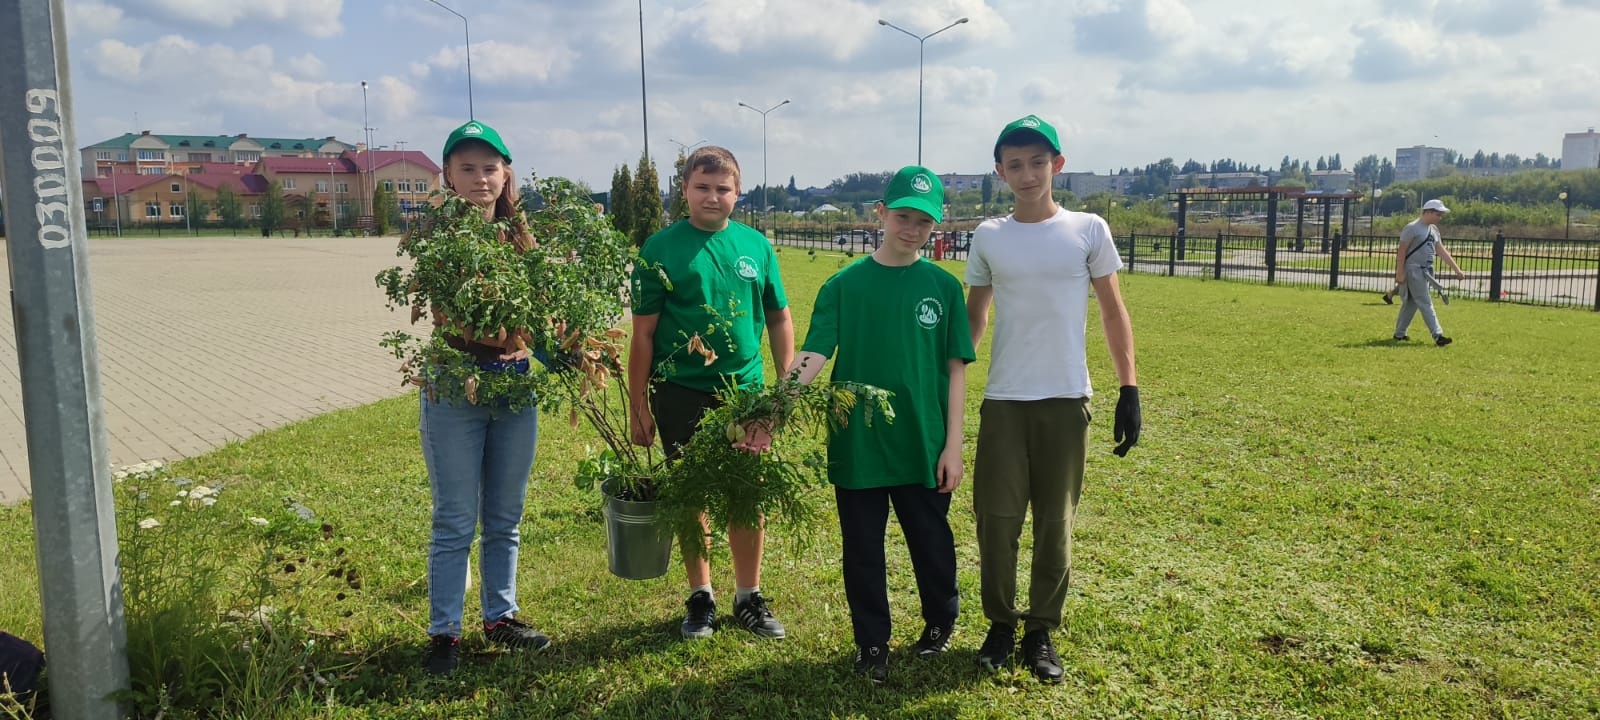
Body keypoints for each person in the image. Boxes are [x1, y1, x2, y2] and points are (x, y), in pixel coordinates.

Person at [743, 166, 975, 684]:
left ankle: (940, 622)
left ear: (936, 226)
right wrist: (773, 411)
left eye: (923, 222)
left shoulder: (943, 286)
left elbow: (956, 370)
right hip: (860, 443)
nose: (911, 229)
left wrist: (953, 445)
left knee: (931, 544)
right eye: (902, 217)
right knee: (863, 552)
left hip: (923, 443)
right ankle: (871, 643)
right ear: (880, 215)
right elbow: (814, 352)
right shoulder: (845, 284)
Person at [965, 115, 1141, 683]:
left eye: (1037, 163)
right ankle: (999, 623)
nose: (1026, 173)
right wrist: (948, 377)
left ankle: (1040, 630)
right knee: (996, 518)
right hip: (1005, 398)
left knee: (1055, 521)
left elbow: (1113, 311)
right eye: (1014, 164)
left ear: (1057, 166)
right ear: (1000, 172)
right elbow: (976, 315)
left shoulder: (1088, 228)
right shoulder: (990, 235)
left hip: (1067, 397)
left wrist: (1128, 388)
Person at [628, 145, 795, 640]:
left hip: (744, 393)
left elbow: (779, 317)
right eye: (702, 187)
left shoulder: (756, 248)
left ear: (738, 193)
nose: (712, 196)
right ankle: (701, 595)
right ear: (684, 190)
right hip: (679, 392)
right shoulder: (660, 249)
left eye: (723, 188)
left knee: (747, 494)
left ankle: (749, 596)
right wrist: (640, 404)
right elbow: (643, 335)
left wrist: (784, 387)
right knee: (691, 494)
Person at [419, 120, 551, 676]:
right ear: (448, 176)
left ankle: (500, 616)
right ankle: (444, 634)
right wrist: (524, 331)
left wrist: (564, 339)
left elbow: (544, 311)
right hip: (455, 385)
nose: (480, 179)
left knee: (505, 514)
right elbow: (460, 320)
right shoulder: (439, 240)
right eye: (467, 168)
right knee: (455, 518)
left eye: (490, 168)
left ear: (506, 173)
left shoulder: (523, 238)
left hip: (515, 387)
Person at [1392, 199, 1465, 346]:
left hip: (1426, 271)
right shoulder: (1411, 228)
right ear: (1429, 212)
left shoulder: (1434, 230)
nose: (1440, 217)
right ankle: (1438, 335)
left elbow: (1441, 251)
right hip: (1413, 270)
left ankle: (1399, 334)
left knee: (1412, 303)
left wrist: (1456, 268)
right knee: (1425, 302)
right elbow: (1401, 251)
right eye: (1438, 214)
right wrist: (1400, 273)